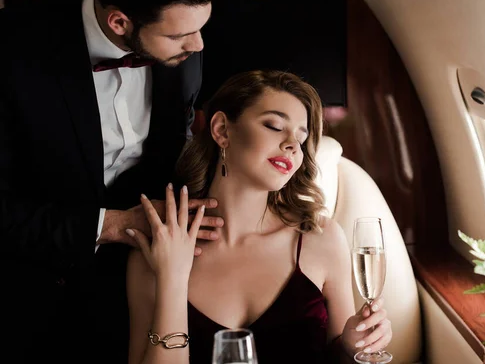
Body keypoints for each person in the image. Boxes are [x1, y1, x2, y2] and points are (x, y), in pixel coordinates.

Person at [0, 0, 222, 362]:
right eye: (179, 36)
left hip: (141, 282)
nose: (199, 45)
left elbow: (178, 135)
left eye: (201, 27)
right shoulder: (11, 47)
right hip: (28, 289)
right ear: (119, 22)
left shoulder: (184, 40)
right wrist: (115, 224)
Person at [125, 70, 393, 364]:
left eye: (301, 139)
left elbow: (338, 355)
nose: (292, 144)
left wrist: (351, 347)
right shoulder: (158, 250)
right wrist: (173, 278)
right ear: (222, 130)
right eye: (275, 126)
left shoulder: (322, 238)